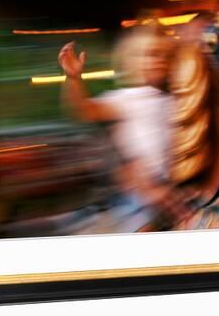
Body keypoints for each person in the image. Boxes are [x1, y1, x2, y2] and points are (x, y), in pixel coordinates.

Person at [58, 24, 192, 231]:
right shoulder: (128, 99)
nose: (159, 61)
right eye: (151, 55)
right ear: (136, 61)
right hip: (142, 196)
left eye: (166, 56)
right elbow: (84, 110)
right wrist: (73, 78)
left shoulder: (177, 98)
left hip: (179, 187)